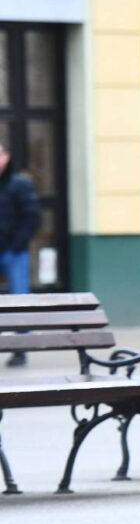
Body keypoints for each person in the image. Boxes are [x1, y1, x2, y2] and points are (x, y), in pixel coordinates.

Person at [0, 141, 41, 368]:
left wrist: (17, 245)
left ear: (6, 157)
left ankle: (20, 349)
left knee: (19, 300)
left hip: (13, 252)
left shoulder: (20, 184)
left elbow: (32, 217)